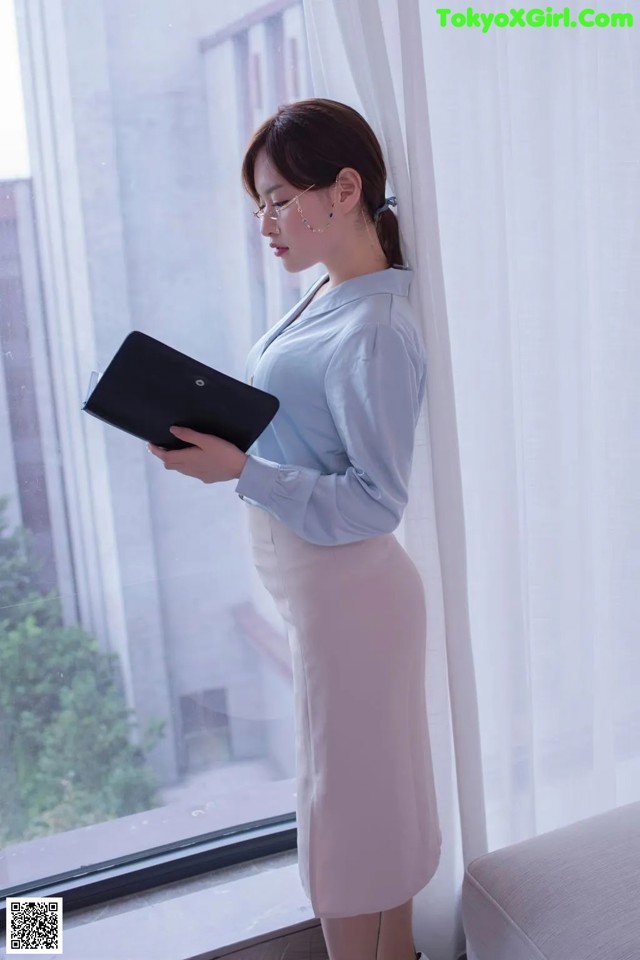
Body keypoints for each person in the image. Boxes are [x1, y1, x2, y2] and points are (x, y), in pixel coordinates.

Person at [149, 98, 441, 960]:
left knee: (351, 818)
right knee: (367, 803)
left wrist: (243, 470)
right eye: (260, 205)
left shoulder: (376, 327)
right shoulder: (332, 294)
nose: (265, 222)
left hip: (352, 594)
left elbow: (377, 498)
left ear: (345, 189)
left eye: (279, 199)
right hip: (326, 593)